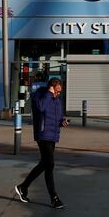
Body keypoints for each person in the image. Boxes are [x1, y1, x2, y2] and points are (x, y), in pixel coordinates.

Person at [15, 78, 69, 209]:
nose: (58, 94)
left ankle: (23, 187)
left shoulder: (57, 99)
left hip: (53, 135)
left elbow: (58, 115)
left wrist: (62, 121)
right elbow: (41, 108)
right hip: (43, 134)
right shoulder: (40, 96)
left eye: (59, 92)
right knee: (49, 164)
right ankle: (54, 198)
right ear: (51, 87)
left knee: (45, 164)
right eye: (57, 91)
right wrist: (50, 94)